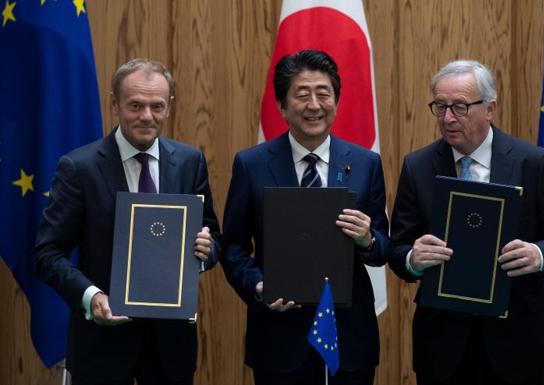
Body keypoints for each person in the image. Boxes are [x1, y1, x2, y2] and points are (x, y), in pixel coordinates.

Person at [389, 60, 544, 385]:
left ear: (490, 108)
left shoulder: (532, 163)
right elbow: (398, 250)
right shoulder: (417, 166)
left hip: (517, 344)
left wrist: (537, 254)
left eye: (460, 107)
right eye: (440, 106)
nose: (448, 118)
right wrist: (413, 258)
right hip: (443, 348)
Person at [33, 58, 221, 385]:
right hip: (101, 343)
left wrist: (205, 252)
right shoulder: (79, 167)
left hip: (170, 348)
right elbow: (47, 253)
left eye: (156, 106)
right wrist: (91, 297)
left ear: (169, 107)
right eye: (135, 105)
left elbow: (213, 237)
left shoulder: (190, 162)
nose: (146, 116)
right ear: (114, 104)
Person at [220, 50, 389, 385]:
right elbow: (234, 247)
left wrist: (367, 238)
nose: (314, 105)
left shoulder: (365, 163)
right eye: (302, 94)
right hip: (279, 337)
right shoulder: (251, 165)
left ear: (336, 102)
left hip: (349, 334)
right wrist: (257, 285)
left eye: (323, 93)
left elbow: (384, 246)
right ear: (283, 106)